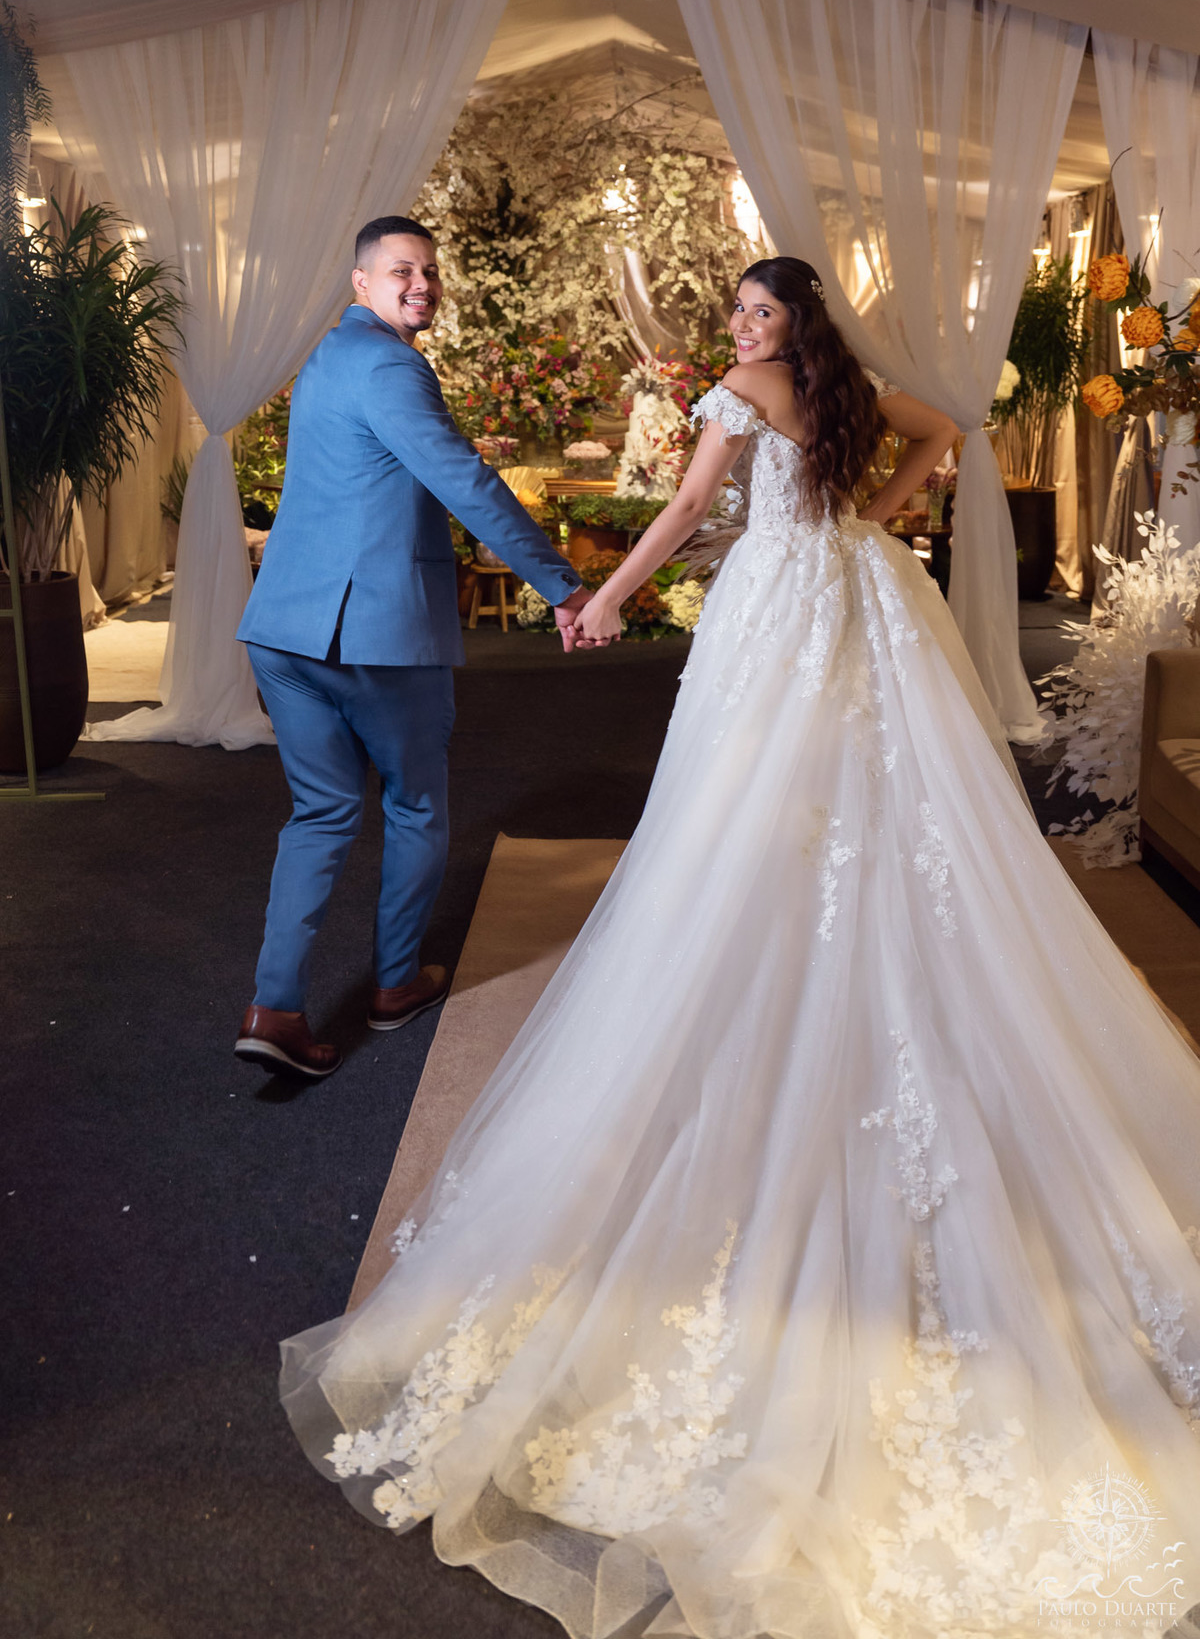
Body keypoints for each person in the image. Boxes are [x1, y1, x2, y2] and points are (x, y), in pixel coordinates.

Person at [280, 258, 1200, 1634]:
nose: (744, 327)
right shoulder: (840, 385)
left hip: (779, 607)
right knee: (873, 804)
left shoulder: (744, 391)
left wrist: (606, 598)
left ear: (787, 323)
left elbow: (686, 510)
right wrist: (874, 518)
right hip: (860, 591)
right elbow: (942, 430)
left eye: (759, 311)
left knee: (744, 812)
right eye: (741, 314)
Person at [234, 216, 594, 1080]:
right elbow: (465, 480)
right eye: (402, 270)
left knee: (320, 814)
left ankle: (273, 1008)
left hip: (283, 629)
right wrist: (565, 587)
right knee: (416, 805)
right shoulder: (391, 365)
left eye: (429, 270)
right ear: (361, 282)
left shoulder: (327, 356)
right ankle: (395, 985)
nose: (422, 284)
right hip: (375, 635)